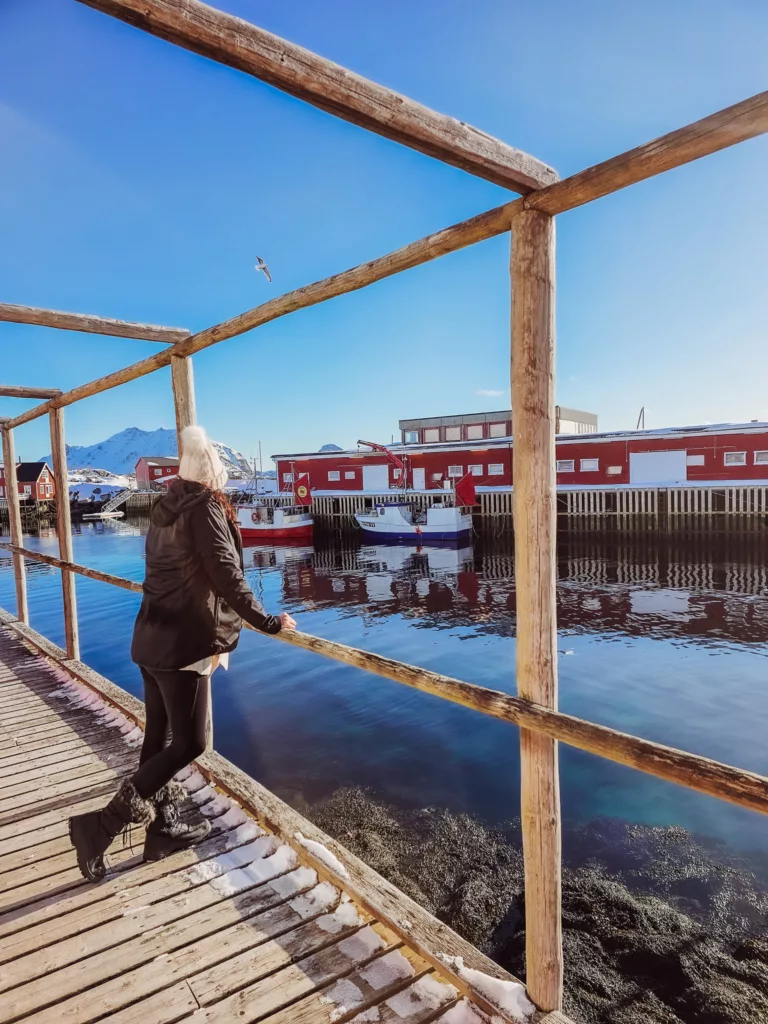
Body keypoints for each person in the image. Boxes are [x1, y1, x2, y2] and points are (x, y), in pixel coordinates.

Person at [69, 425, 296, 881]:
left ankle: (164, 830)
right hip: (185, 642)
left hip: (151, 637)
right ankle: (101, 826)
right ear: (213, 475)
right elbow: (227, 576)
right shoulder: (205, 509)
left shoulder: (164, 508)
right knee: (191, 742)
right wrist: (269, 622)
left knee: (157, 742)